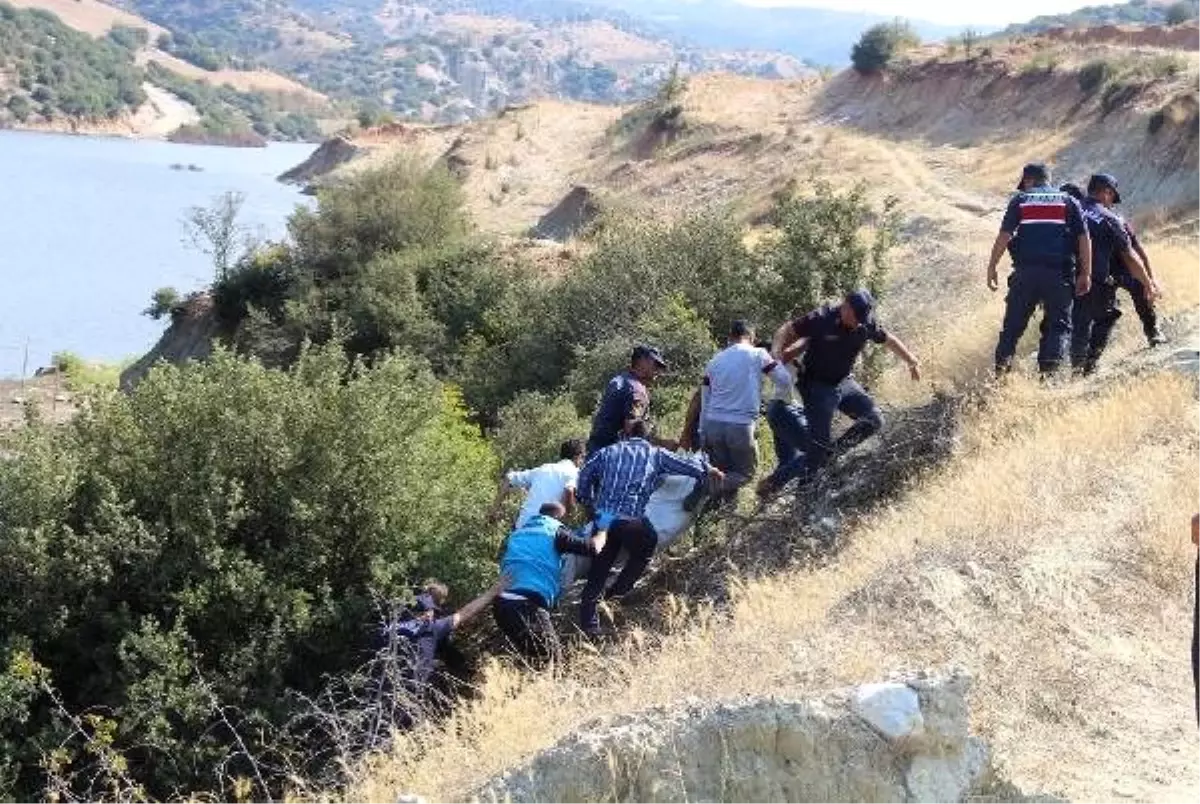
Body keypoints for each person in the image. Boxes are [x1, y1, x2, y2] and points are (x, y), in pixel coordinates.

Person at [757, 290, 920, 496]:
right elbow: (787, 329)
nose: (859, 323)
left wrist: (911, 361)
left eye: (862, 319)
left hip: (844, 382)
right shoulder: (822, 318)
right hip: (816, 386)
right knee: (818, 446)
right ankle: (795, 494)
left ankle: (829, 455)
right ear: (845, 307)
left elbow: (888, 339)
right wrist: (776, 352)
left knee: (874, 420)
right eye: (856, 317)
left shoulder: (865, 324)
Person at [576, 419, 724, 636]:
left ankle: (590, 624)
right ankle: (617, 595)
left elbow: (585, 474)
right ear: (647, 437)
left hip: (605, 518)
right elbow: (690, 467)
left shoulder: (607, 452)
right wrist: (709, 470)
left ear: (626, 435)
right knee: (646, 547)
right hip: (631, 519)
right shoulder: (655, 454)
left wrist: (588, 502)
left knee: (601, 565)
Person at [987, 163, 1092, 376]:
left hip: (1025, 275)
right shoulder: (1068, 201)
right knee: (1058, 328)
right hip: (1059, 275)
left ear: (1028, 180)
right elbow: (1084, 238)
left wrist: (992, 265)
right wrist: (1085, 273)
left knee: (1011, 330)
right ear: (1048, 179)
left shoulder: (1021, 200)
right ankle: (1048, 379)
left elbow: (1005, 235)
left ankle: (999, 377)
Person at [681, 320, 794, 504]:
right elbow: (784, 379)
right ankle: (706, 486)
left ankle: (716, 516)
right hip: (740, 426)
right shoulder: (758, 353)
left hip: (713, 426)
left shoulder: (714, 361)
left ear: (730, 338)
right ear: (752, 337)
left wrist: (702, 431)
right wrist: (781, 401)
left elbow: (705, 398)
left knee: (721, 472)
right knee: (745, 474)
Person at [1071, 173, 1157, 375]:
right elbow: (1131, 255)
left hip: (1064, 276)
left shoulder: (1070, 209)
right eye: (1111, 197)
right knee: (1106, 317)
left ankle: (1070, 369)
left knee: (1076, 320)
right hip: (1095, 279)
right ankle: (1089, 368)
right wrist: (1148, 283)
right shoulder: (1109, 218)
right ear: (1107, 193)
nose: (1111, 203)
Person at [494, 502, 601, 664]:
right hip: (526, 604)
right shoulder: (554, 531)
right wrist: (604, 531)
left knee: (532, 659)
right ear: (558, 517)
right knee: (553, 660)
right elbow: (592, 548)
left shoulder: (518, 533)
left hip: (501, 605)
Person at [382, 578, 508, 690]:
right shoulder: (432, 627)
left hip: (376, 689)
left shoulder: (389, 625)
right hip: (408, 694)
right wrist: (493, 592)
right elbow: (466, 612)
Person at [586, 345, 667, 455]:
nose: (658, 371)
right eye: (655, 365)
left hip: (595, 451)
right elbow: (633, 430)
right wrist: (663, 444)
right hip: (613, 457)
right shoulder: (637, 390)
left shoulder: (619, 380)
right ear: (642, 362)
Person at [492, 439, 586, 528]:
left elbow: (509, 478)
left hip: (523, 525)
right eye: (583, 458)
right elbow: (569, 490)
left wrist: (493, 510)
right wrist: (568, 516)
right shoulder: (573, 471)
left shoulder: (544, 468)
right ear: (577, 457)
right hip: (545, 529)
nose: (583, 462)